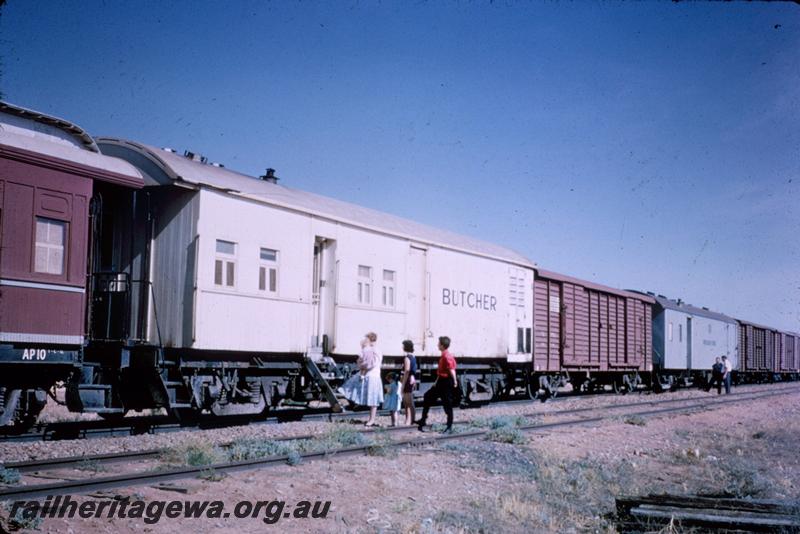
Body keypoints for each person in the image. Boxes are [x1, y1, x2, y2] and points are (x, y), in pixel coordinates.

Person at [417, 336, 457, 434]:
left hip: (446, 382)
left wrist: (455, 381)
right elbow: (443, 371)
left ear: (442, 346)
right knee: (427, 396)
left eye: (438, 343)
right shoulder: (444, 355)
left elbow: (451, 370)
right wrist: (436, 381)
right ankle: (423, 419)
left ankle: (449, 426)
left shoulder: (447, 356)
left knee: (447, 403)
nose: (437, 345)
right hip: (440, 381)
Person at [362, 332, 384, 426]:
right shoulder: (374, 349)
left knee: (373, 399)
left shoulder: (374, 350)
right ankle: (371, 418)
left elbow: (372, 363)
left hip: (373, 375)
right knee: (371, 398)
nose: (365, 340)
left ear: (370, 339)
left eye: (367, 339)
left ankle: (372, 419)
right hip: (372, 375)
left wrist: (363, 366)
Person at [400, 339, 418, 426]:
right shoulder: (413, 357)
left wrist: (403, 384)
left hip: (407, 381)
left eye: (403, 346)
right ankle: (410, 420)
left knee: (408, 402)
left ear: (405, 347)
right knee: (408, 402)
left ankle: (410, 420)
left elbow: (407, 370)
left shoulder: (407, 358)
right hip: (411, 379)